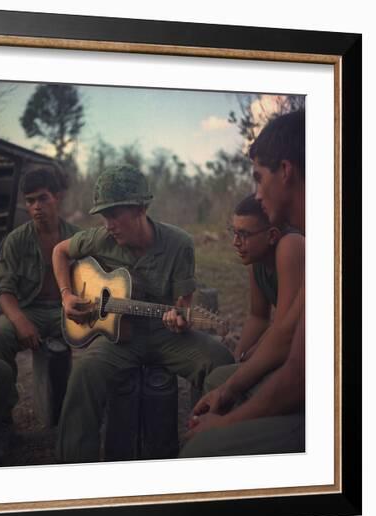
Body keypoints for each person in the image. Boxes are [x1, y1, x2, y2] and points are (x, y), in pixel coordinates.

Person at [52, 164, 234, 463]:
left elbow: (183, 304)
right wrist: (67, 295)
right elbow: (60, 251)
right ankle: (72, 470)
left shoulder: (179, 243)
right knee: (84, 374)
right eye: (104, 216)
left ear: (141, 208)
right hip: (117, 338)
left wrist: (179, 319)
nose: (108, 224)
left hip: (164, 335)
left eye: (114, 214)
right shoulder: (100, 238)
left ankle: (209, 452)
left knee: (219, 361)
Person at [180, 109, 306, 458]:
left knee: (201, 450)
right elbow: (265, 322)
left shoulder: (298, 244)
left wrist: (228, 420)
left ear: (285, 171)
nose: (257, 193)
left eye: (258, 177)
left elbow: (294, 365)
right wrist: (237, 374)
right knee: (222, 381)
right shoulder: (314, 238)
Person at [0, 167, 80, 424]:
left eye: (42, 198)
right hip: (30, 309)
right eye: (30, 201)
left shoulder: (77, 238)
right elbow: (3, 291)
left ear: (57, 197)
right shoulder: (16, 240)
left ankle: (88, 412)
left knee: (108, 338)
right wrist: (20, 321)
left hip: (67, 311)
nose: (36, 206)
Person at [202, 194, 304, 396]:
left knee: (219, 382)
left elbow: (284, 327)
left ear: (272, 235)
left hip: (300, 352)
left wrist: (253, 355)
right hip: (284, 345)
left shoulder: (290, 245)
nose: (235, 242)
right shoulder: (255, 262)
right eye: (234, 232)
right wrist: (239, 358)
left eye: (244, 234)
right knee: (221, 375)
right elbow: (258, 317)